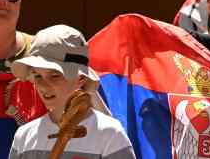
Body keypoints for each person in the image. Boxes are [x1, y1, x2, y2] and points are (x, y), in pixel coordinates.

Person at [8, 25, 135, 159]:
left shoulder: (109, 135)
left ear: (81, 78)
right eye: (37, 76)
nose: (43, 86)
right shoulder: (24, 136)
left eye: (55, 75)